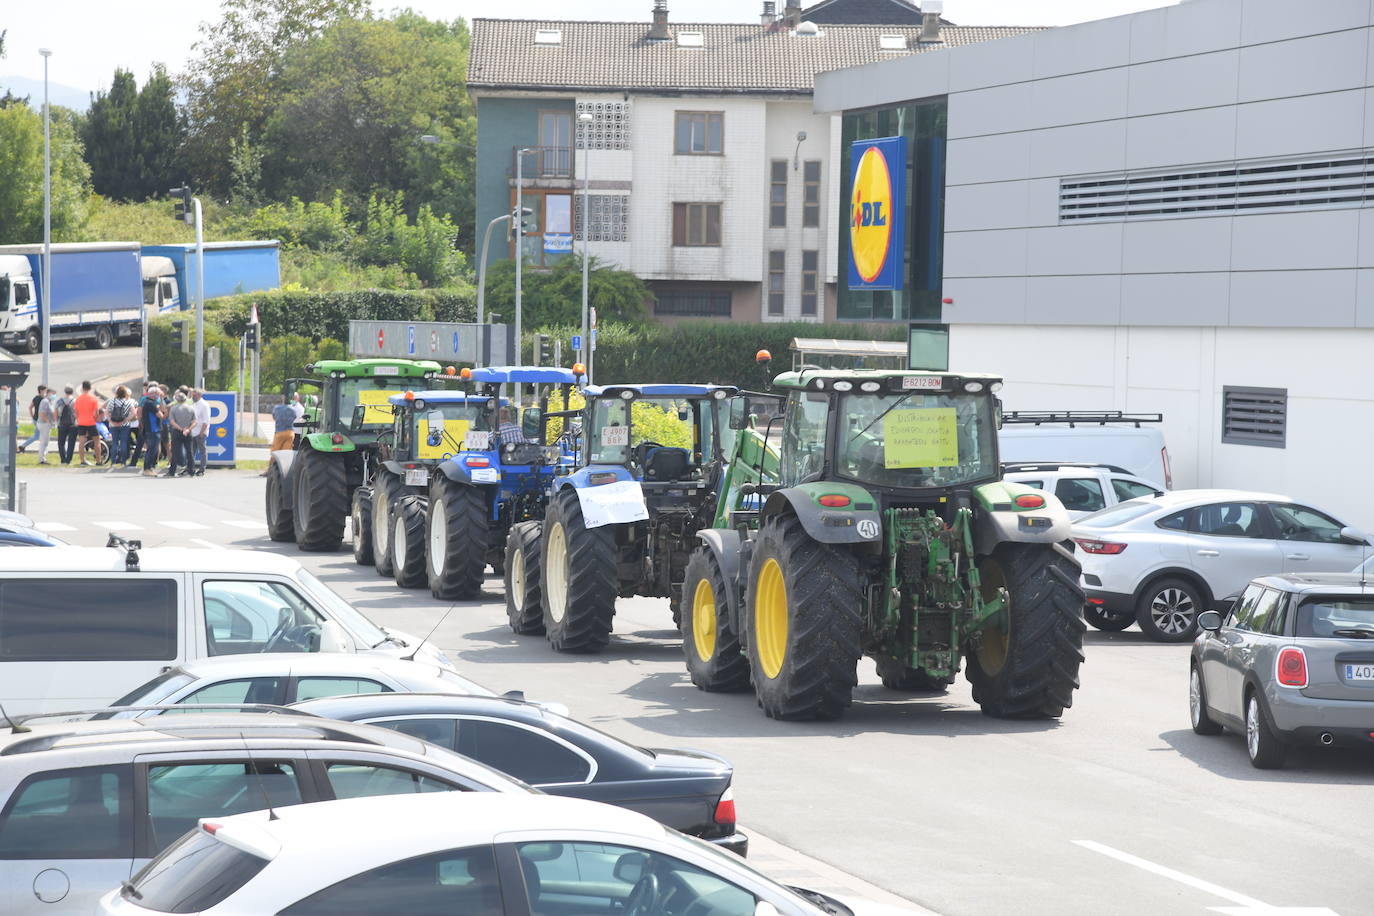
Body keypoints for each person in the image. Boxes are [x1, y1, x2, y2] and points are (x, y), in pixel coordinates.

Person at [261, 399, 297, 476]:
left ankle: (270, 470)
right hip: (290, 433)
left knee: (275, 452)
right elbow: (295, 417)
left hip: (279, 432)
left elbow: (274, 417)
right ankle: (285, 472)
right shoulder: (292, 409)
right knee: (286, 453)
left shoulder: (277, 408)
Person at [164, 392, 196, 478]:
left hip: (177, 432)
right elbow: (194, 421)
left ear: (177, 400)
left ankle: (172, 471)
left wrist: (180, 428)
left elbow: (172, 421)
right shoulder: (191, 409)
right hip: (188, 431)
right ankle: (191, 470)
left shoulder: (174, 408)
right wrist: (188, 429)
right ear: (185, 399)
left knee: (175, 451)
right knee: (190, 451)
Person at [106, 385, 138, 468]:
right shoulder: (128, 402)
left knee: (115, 443)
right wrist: (126, 420)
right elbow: (134, 413)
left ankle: (113, 462)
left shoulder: (112, 401)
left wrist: (111, 421)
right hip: (124, 425)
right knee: (123, 443)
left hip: (113, 425)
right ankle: (123, 462)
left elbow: (107, 412)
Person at [137, 383, 163, 476]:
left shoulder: (149, 403)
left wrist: (161, 401)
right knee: (151, 449)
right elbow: (161, 415)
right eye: (158, 394)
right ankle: (147, 468)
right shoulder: (150, 403)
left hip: (153, 429)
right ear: (154, 394)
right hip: (152, 429)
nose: (159, 396)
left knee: (153, 449)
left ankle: (150, 467)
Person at [18, 385, 46, 453]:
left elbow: (30, 407)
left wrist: (32, 416)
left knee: (37, 436)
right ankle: (23, 446)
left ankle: (23, 446)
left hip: (36, 419)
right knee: (40, 436)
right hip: (40, 420)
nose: (46, 392)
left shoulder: (36, 398)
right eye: (45, 390)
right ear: (41, 391)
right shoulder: (43, 399)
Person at [190, 388, 211, 476]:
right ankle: (191, 468)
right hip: (193, 431)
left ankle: (202, 469)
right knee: (192, 451)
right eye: (192, 395)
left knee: (202, 451)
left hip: (200, 431)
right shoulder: (194, 404)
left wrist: (202, 432)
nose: (192, 397)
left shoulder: (204, 405)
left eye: (194, 395)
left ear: (199, 395)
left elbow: (206, 420)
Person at [55, 385, 78, 465]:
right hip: (73, 424)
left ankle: (63, 459)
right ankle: (68, 460)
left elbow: (56, 412)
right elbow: (77, 413)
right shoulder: (75, 401)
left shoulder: (59, 401)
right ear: (72, 392)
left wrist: (56, 421)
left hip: (62, 424)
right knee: (71, 442)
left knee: (61, 442)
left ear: (65, 392)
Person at [33, 388, 56, 464]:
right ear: (48, 393)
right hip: (44, 424)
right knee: (44, 442)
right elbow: (42, 413)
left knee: (45, 441)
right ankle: (41, 459)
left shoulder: (49, 402)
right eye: (53, 394)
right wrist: (48, 421)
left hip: (45, 424)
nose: (54, 396)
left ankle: (43, 457)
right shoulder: (45, 401)